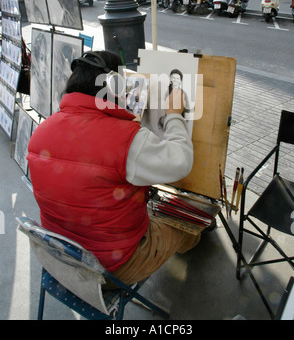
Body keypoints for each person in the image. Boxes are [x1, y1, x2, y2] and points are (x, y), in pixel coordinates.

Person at [27, 50, 202, 286]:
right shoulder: (125, 141)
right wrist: (173, 115)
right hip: (111, 268)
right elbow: (181, 162)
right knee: (186, 228)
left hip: (60, 256)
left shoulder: (41, 132)